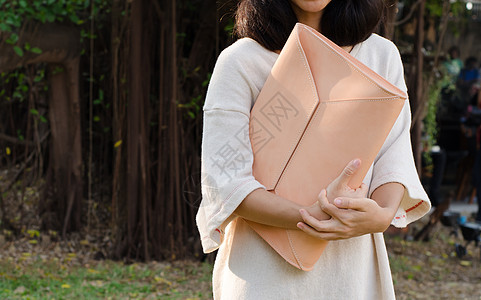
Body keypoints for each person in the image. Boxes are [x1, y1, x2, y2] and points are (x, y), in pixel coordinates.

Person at [196, 0, 431, 299]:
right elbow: (227, 183)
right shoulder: (241, 61)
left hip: (351, 272)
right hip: (263, 274)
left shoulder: (380, 55)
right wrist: (314, 215)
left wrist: (382, 215)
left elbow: (393, 156)